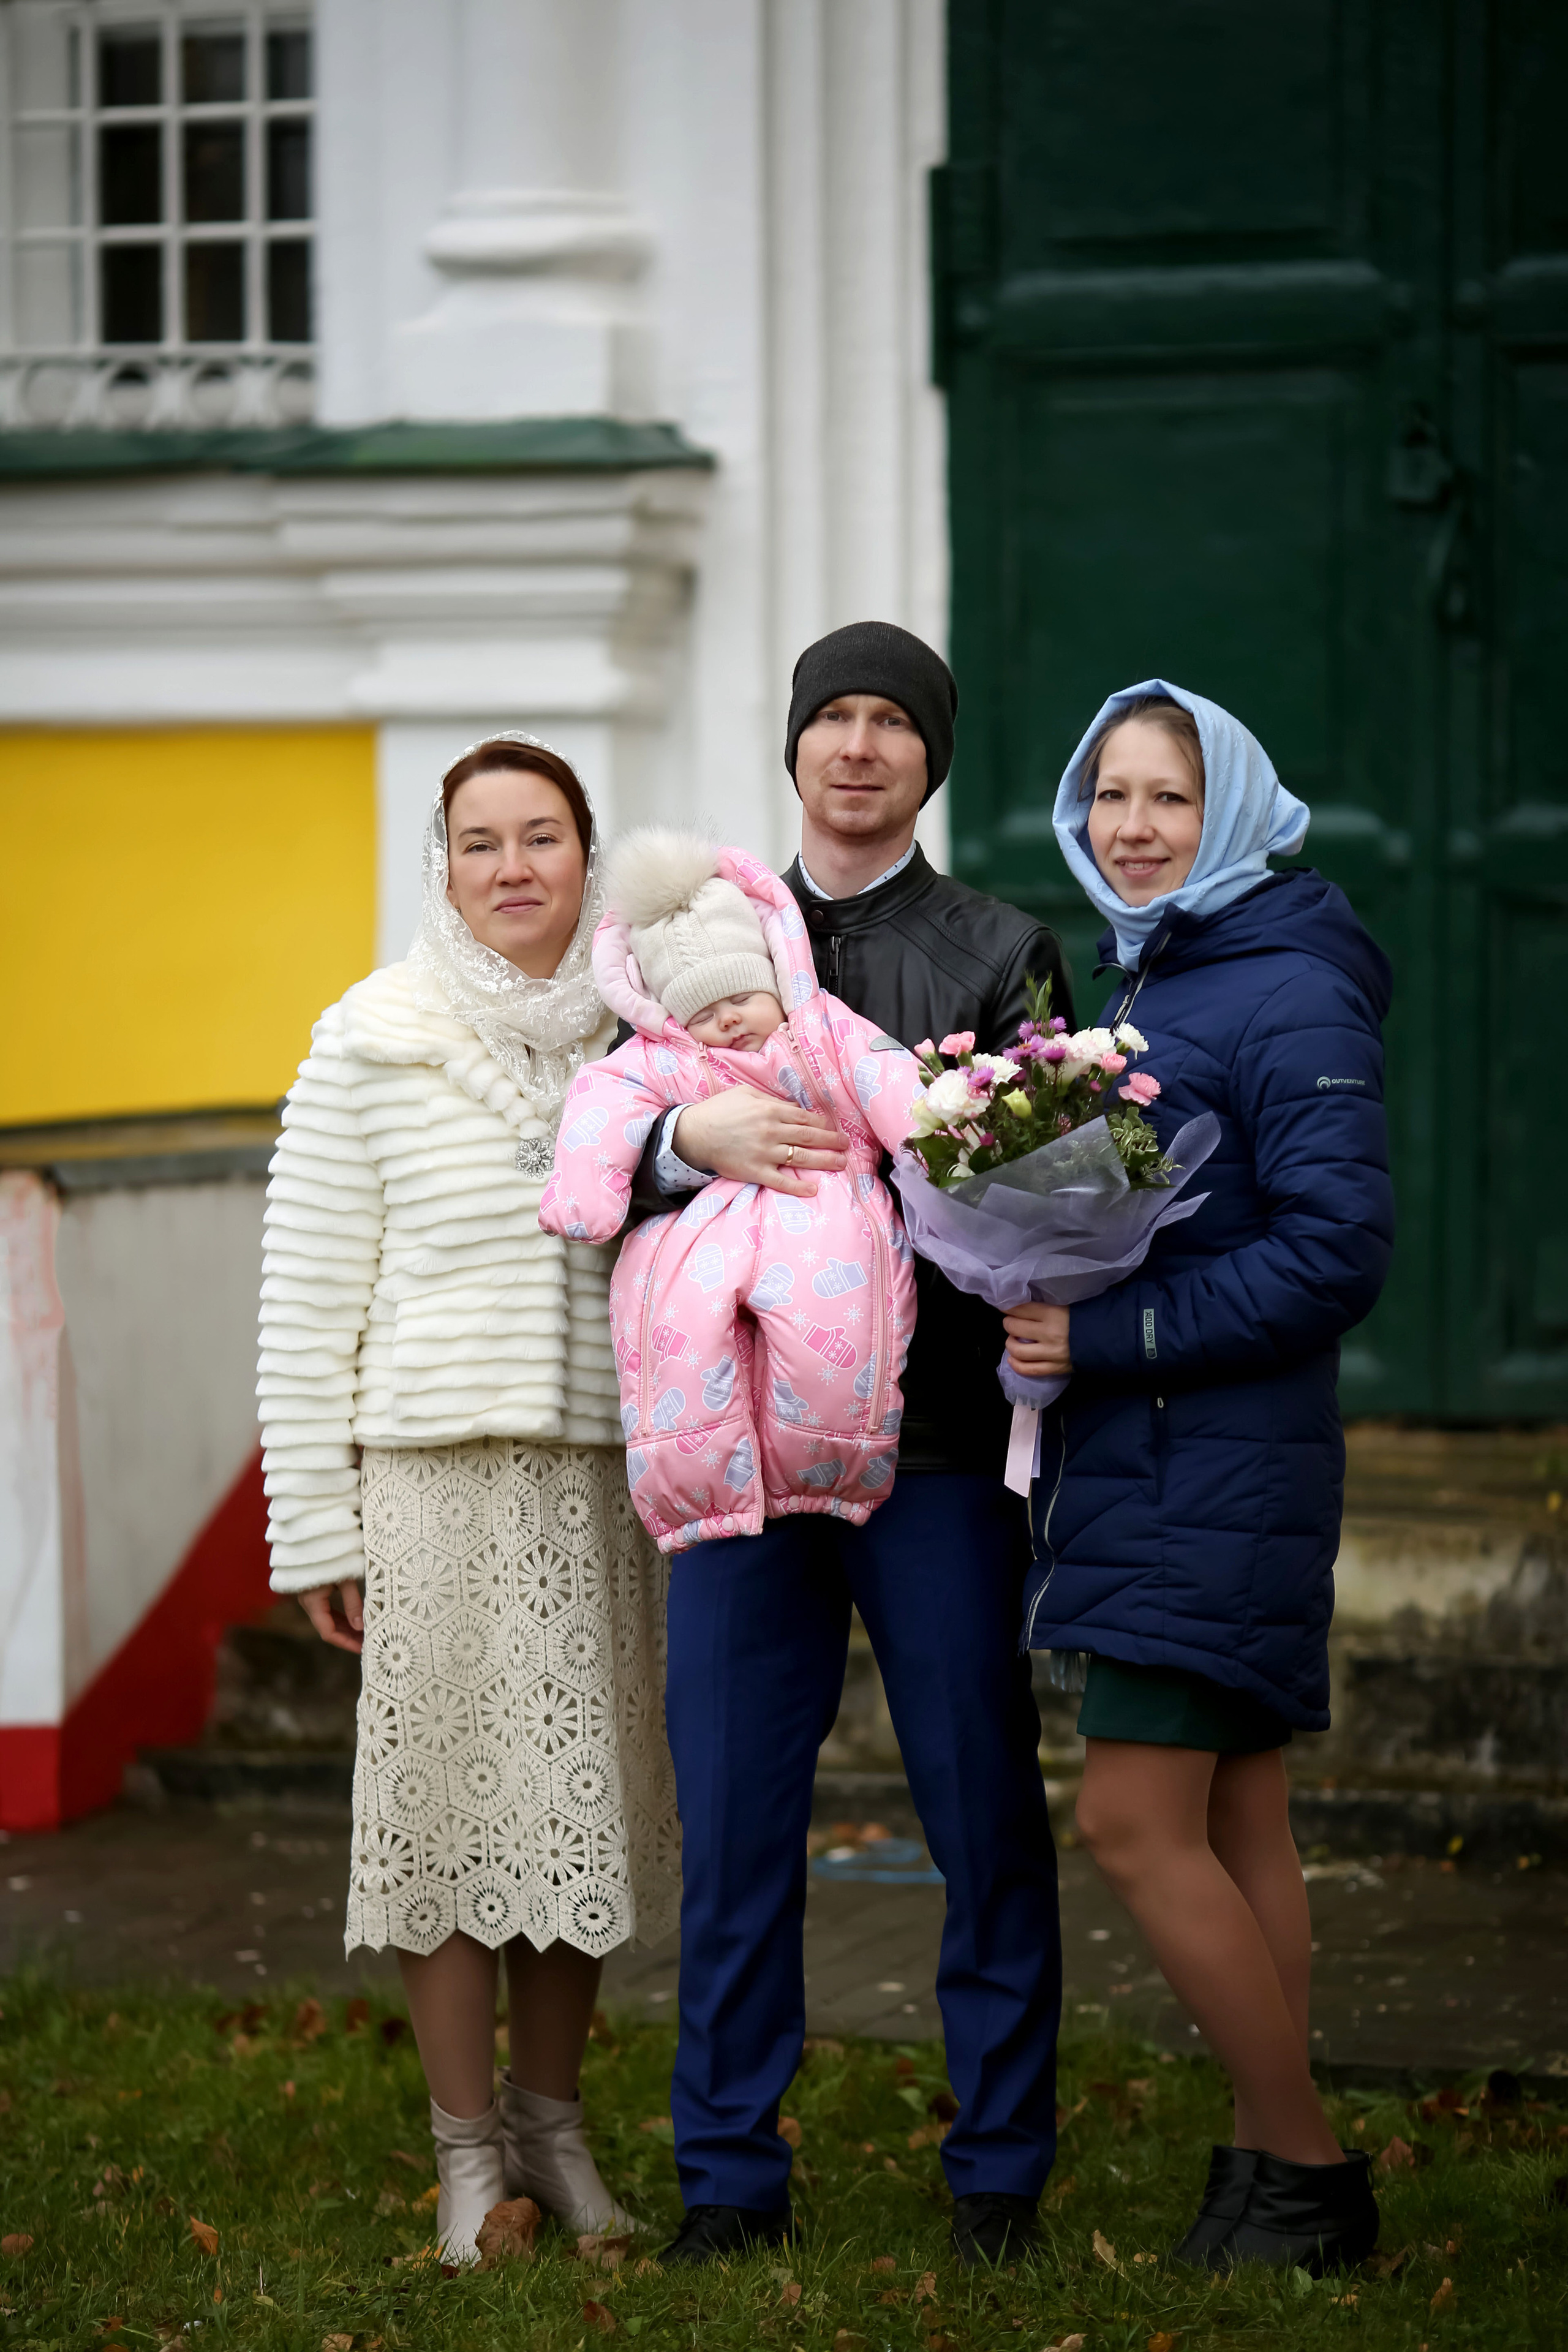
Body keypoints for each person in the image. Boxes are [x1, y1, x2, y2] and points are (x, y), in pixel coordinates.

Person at [626, 622, 1074, 2270]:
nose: (861, 745)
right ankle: (727, 2176)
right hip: (739, 1452)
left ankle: (999, 2169)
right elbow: (600, 1155)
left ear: (928, 757)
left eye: (894, 720)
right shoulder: (697, 933)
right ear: (797, 744)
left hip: (932, 1446)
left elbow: (1051, 1185)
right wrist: (688, 1138)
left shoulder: (998, 948)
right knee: (736, 1820)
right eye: (837, 716)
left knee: (980, 1805)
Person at [257, 736, 680, 2263]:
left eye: (541, 836)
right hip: (428, 1487)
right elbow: (307, 1299)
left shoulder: (649, 1034)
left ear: (585, 854)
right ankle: (463, 2157)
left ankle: (552, 2134)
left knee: (575, 1816)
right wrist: (314, 1522)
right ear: (440, 865)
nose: (512, 866)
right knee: (443, 1819)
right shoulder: (371, 1036)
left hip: (601, 1484)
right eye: (478, 840)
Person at [1004, 682, 1392, 2273]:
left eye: (1168, 797)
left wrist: (1106, 1335)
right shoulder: (1160, 971)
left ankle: (1308, 2167)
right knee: (1237, 1819)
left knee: (1128, 1818)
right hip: (1177, 1460)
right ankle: (1260, 2175)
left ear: (1229, 810)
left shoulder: (1283, 986)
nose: (1133, 827)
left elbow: (1335, 1249)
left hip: (1207, 1466)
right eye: (1109, 795)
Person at [540, 830, 927, 1547]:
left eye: (742, 997)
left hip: (823, 1212)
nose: (726, 1021)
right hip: (697, 1234)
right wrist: (583, 1196)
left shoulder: (821, 1030)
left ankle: (830, 1465)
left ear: (776, 976)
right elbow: (600, 1107)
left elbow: (889, 1077)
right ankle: (698, 1491)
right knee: (683, 1340)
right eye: (701, 1012)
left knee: (832, 1334)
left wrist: (944, 1146)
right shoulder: (656, 1059)